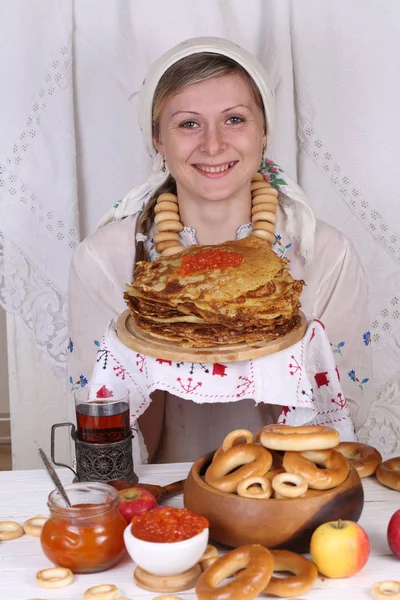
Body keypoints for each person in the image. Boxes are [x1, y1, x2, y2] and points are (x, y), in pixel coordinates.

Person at [68, 37, 372, 463]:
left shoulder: (325, 254)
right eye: (188, 123)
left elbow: (340, 415)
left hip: (289, 497)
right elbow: (104, 427)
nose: (213, 145)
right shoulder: (106, 261)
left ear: (265, 131)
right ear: (157, 138)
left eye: (234, 119)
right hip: (158, 501)